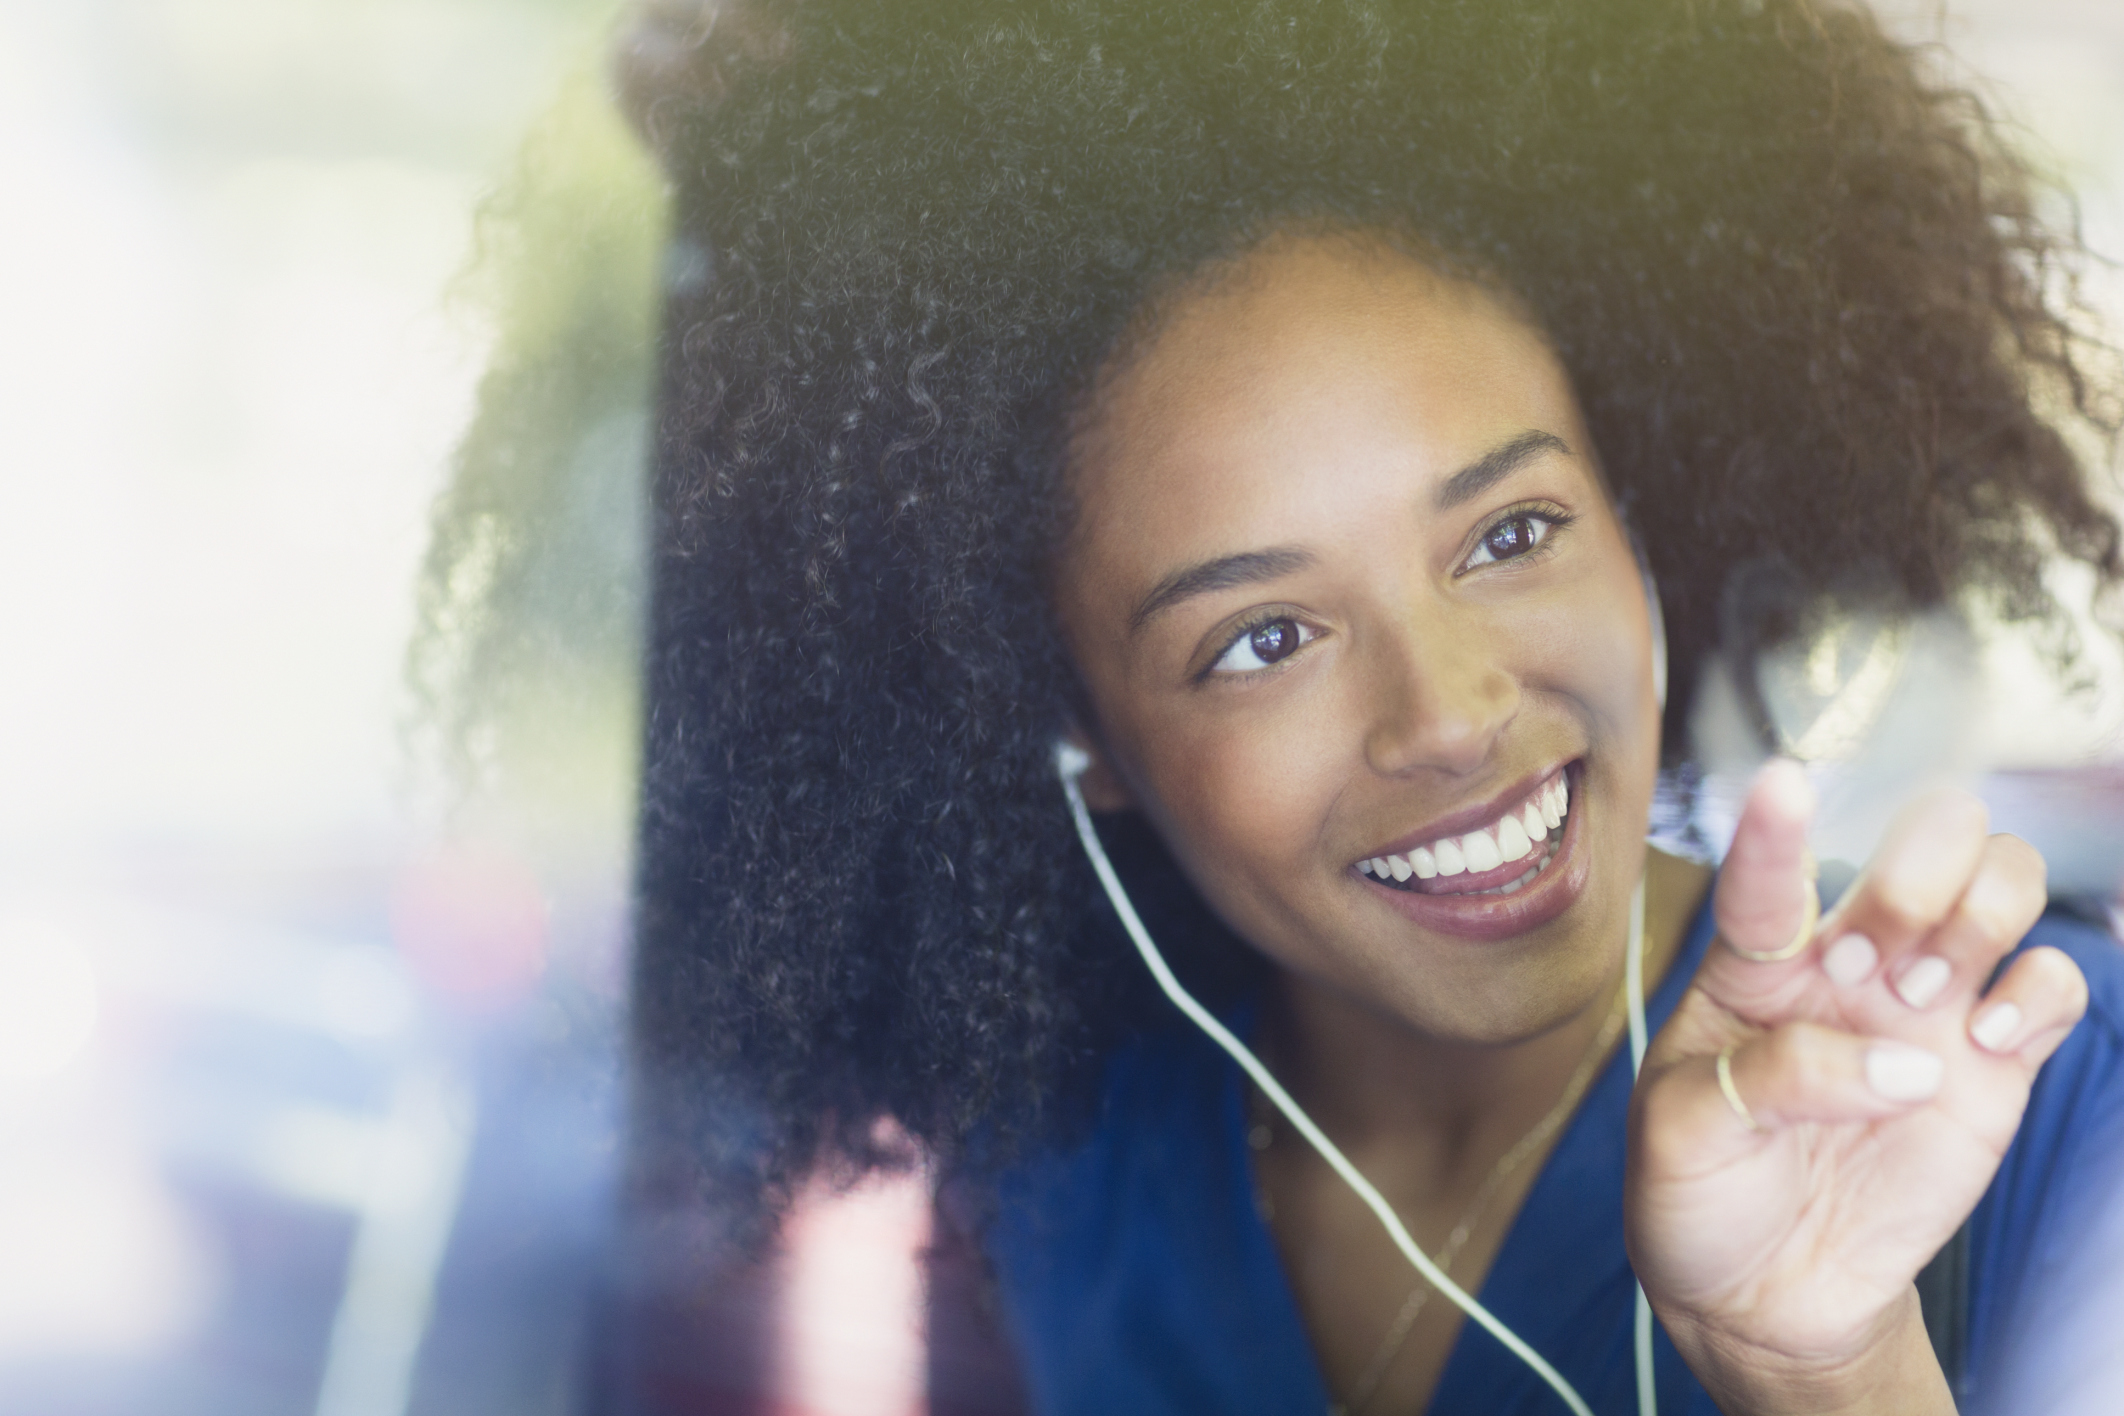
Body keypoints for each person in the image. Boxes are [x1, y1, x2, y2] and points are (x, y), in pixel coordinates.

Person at [614, 0, 2124, 1410]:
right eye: (1264, 636)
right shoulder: (1063, 1164)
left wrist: (1827, 1371)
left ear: (1638, 517)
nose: (1451, 715)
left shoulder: (2042, 1076)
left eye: (1514, 535)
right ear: (1076, 733)